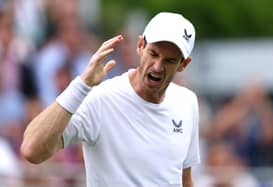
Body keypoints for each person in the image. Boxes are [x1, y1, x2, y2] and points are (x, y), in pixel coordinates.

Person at [21, 12, 200, 187]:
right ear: (140, 46)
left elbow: (184, 180)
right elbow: (32, 150)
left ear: (183, 64)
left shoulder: (187, 102)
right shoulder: (100, 98)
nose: (158, 66)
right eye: (153, 54)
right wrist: (82, 84)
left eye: (169, 61)